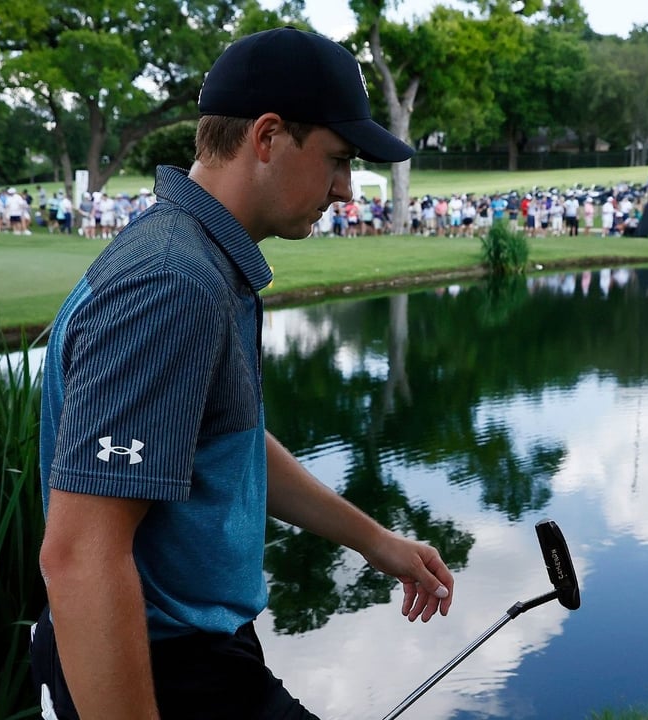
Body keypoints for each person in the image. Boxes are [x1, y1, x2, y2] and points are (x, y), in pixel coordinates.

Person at [31, 27, 456, 720]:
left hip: (196, 657)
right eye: (337, 159)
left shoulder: (200, 258)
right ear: (266, 137)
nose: (346, 189)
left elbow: (221, 442)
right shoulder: (174, 283)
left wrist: (379, 543)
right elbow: (80, 555)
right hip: (161, 670)